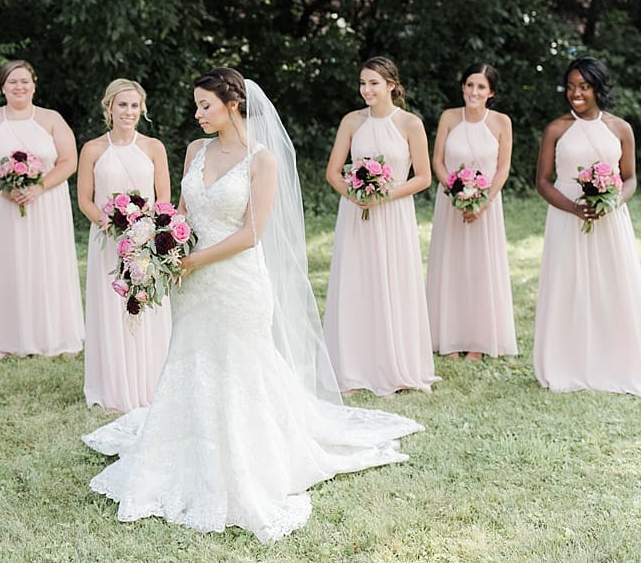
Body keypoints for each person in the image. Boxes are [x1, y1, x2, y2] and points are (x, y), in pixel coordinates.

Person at [83, 67, 423, 543]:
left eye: (205, 105)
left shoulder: (261, 160)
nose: (197, 114)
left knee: (242, 366)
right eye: (196, 105)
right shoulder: (194, 151)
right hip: (192, 283)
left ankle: (249, 457)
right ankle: (189, 452)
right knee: (191, 360)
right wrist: (156, 246)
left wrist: (195, 261)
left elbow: (251, 233)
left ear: (233, 104)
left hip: (236, 281)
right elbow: (181, 214)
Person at [533, 57, 641, 395]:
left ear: (597, 89)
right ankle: (567, 362)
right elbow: (543, 182)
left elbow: (630, 177)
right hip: (566, 217)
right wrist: (574, 209)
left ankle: (613, 362)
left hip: (609, 221)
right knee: (568, 287)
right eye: (571, 86)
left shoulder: (620, 128)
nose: (575, 93)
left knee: (611, 288)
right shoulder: (557, 129)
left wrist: (614, 202)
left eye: (584, 87)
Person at [321, 56, 439, 395]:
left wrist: (382, 196)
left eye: (373, 83)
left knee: (393, 281)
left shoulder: (410, 124)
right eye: (362, 83)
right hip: (355, 214)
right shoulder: (351, 122)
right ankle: (352, 367)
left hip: (393, 214)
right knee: (356, 281)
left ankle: (394, 363)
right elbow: (332, 172)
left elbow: (423, 178)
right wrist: (356, 195)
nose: (366, 89)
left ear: (391, 85)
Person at [0, 60, 83, 357]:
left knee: (42, 264)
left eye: (25, 81)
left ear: (34, 84)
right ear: (3, 87)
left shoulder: (51, 119)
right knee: (1, 264)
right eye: (12, 82)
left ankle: (47, 331)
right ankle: (2, 333)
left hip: (44, 205)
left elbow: (69, 160)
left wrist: (38, 187)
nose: (19, 87)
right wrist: (3, 189)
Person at [77, 79, 173, 413]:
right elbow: (84, 199)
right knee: (110, 305)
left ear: (141, 109)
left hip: (146, 242)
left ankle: (149, 381)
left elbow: (164, 198)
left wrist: (148, 232)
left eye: (134, 105)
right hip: (107, 241)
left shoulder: (153, 148)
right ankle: (113, 383)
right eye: (122, 105)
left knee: (145, 305)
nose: (128, 111)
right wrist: (109, 224)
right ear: (109, 108)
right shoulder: (92, 149)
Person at [426, 63, 518, 362]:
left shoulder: (502, 122)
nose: (474, 91)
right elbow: (437, 160)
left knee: (481, 268)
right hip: (450, 202)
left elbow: (503, 167)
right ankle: (448, 338)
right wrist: (454, 193)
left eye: (481, 87)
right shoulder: (450, 117)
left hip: (485, 206)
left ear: (491, 92)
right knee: (450, 265)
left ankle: (479, 341)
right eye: (469, 85)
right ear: (463, 87)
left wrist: (483, 202)